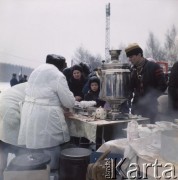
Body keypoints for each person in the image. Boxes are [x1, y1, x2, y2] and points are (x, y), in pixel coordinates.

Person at [18, 54, 75, 170]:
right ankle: (52, 172)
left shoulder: (36, 71)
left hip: (29, 111)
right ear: (60, 65)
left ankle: (36, 173)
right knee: (51, 145)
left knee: (34, 145)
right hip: (46, 114)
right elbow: (69, 102)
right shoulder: (58, 75)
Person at [125, 43, 167, 124]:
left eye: (131, 57)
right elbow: (130, 87)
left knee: (149, 131)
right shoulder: (133, 70)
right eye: (129, 57)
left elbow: (163, 85)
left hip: (150, 108)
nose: (129, 59)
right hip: (136, 107)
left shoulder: (154, 67)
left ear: (139, 55)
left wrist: (150, 97)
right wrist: (128, 97)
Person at [0, 83, 26, 178]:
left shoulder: (21, 87)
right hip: (10, 115)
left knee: (3, 151)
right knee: (21, 150)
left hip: (5, 115)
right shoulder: (35, 89)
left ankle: (3, 174)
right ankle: (17, 173)